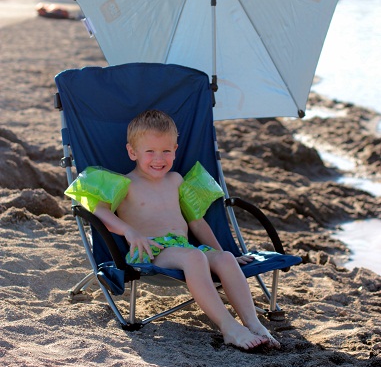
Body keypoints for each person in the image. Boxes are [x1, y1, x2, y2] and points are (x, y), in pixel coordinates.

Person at [94, 109, 280, 351]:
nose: (158, 159)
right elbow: (99, 211)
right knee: (194, 256)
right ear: (132, 152)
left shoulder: (176, 180)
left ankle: (253, 323)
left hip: (185, 248)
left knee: (223, 258)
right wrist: (129, 231)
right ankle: (228, 327)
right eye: (149, 151)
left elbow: (196, 222)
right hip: (153, 249)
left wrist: (225, 251)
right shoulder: (125, 184)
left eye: (166, 151)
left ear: (176, 150)